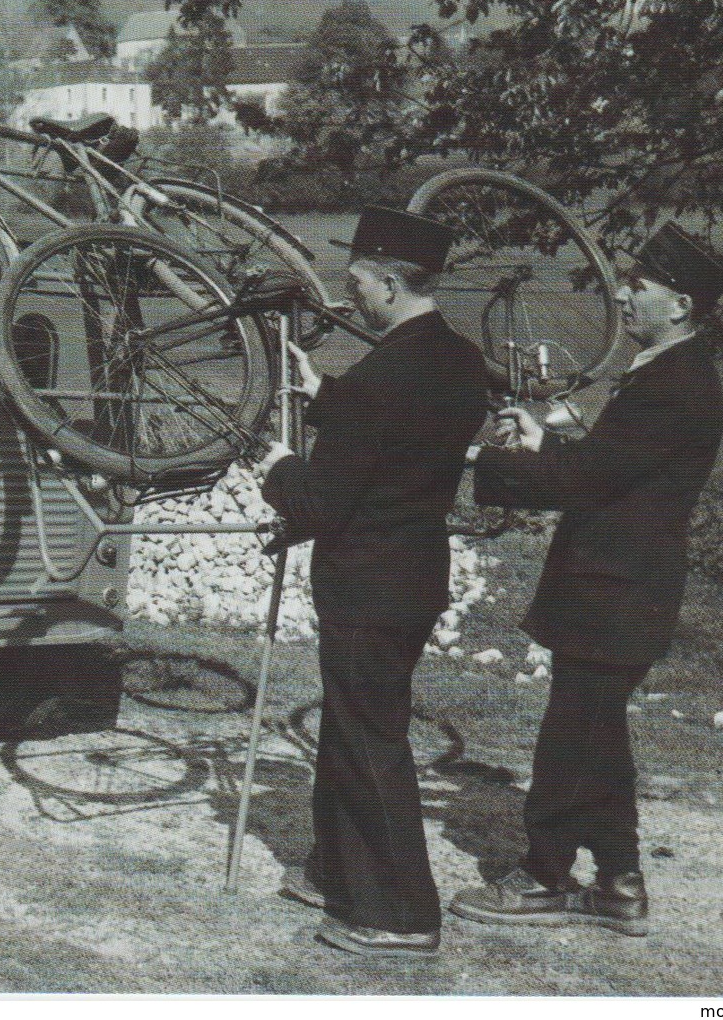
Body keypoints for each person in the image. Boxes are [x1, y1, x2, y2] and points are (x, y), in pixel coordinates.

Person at [450, 222, 723, 938]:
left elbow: (585, 481)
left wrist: (487, 463)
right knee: (595, 736)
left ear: (679, 305)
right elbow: (614, 471)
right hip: (617, 587)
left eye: (637, 284)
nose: (622, 293)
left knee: (570, 741)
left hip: (617, 591)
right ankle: (618, 884)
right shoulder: (668, 372)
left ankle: (544, 879)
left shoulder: (675, 382)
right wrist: (548, 440)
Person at [260, 205, 490, 957]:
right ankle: (338, 873)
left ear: (389, 283)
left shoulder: (384, 374)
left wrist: (278, 470)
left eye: (357, 280)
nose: (348, 292)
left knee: (369, 740)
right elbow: (399, 432)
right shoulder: (456, 360)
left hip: (365, 581)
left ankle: (398, 915)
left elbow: (321, 501)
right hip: (413, 569)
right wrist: (323, 392)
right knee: (352, 726)